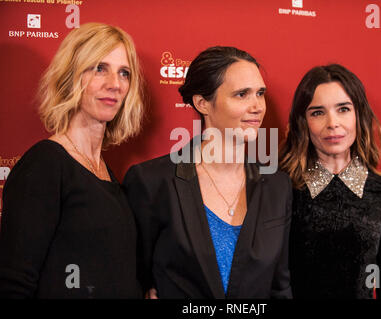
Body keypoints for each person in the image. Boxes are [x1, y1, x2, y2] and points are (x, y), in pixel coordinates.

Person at [123, 46, 292, 299]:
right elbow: (134, 279)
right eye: (241, 94)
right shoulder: (152, 182)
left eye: (260, 93)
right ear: (202, 103)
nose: (257, 106)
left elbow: (280, 287)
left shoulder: (278, 185)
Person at [0, 22, 144, 298]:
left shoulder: (106, 173)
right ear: (71, 76)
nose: (114, 84)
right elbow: (14, 282)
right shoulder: (44, 165)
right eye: (100, 68)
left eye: (124, 73)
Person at [279, 64, 381, 299]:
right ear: (303, 122)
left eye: (343, 109)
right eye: (317, 112)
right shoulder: (283, 189)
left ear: (359, 115)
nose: (332, 123)